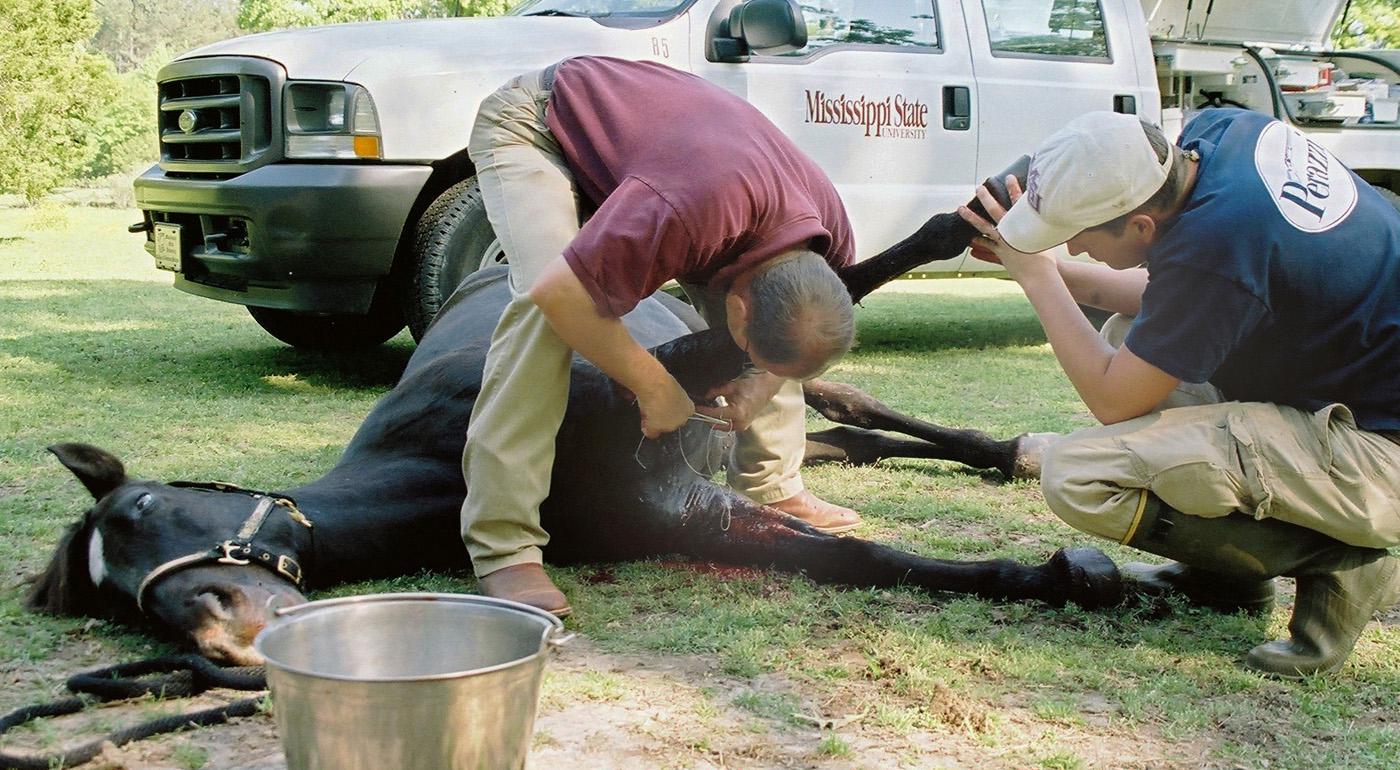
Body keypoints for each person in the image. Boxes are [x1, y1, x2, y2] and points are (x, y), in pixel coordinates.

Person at [957, 108, 1400, 677]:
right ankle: (1227, 580)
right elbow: (1173, 298)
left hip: (1379, 458)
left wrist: (1039, 275)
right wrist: (1031, 266)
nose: (1074, 249)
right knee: (1127, 337)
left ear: (1141, 225)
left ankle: (1340, 563)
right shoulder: (1220, 138)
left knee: (1078, 475)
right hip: (1356, 405)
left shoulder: (1222, 243)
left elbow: (1114, 399)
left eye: (1077, 238)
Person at [461, 57, 861, 616]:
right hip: (540, 123)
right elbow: (563, 297)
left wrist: (760, 383)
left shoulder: (829, 237)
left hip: (672, 164)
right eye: (741, 334)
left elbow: (798, 323)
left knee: (793, 328)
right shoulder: (686, 207)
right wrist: (655, 387)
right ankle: (504, 546)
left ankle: (771, 483)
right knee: (540, 308)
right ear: (735, 310)